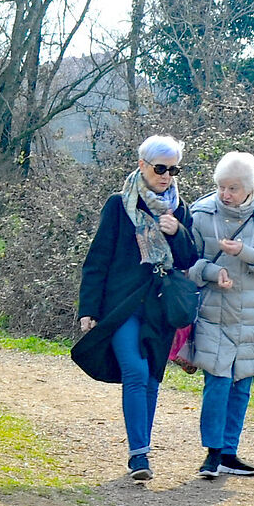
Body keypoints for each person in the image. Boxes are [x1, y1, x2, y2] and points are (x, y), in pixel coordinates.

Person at [75, 135, 199, 481]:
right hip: (122, 305)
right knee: (134, 371)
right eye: (160, 168)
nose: (167, 176)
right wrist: (89, 308)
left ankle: (141, 450)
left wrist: (177, 232)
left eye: (174, 169)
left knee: (152, 379)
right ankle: (139, 456)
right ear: (143, 165)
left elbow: (189, 258)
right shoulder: (119, 204)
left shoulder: (180, 208)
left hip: (161, 308)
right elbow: (98, 258)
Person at [182, 150, 254, 479]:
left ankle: (229, 451)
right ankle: (211, 453)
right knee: (218, 380)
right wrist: (213, 273)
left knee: (242, 383)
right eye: (221, 187)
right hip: (214, 310)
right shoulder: (200, 214)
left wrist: (246, 252)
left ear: (249, 188)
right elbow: (184, 265)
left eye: (233, 188)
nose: (225, 194)